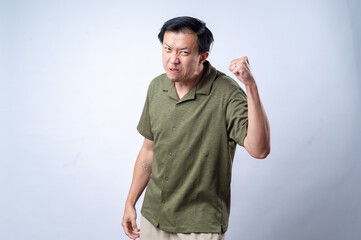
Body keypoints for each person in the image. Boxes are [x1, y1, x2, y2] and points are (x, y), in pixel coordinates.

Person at [121, 16, 270, 240]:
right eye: (167, 49)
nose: (173, 60)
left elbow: (259, 150)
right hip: (154, 217)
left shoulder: (226, 92)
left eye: (183, 52)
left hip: (200, 225)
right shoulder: (156, 87)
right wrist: (130, 202)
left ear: (203, 56)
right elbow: (149, 151)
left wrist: (251, 86)